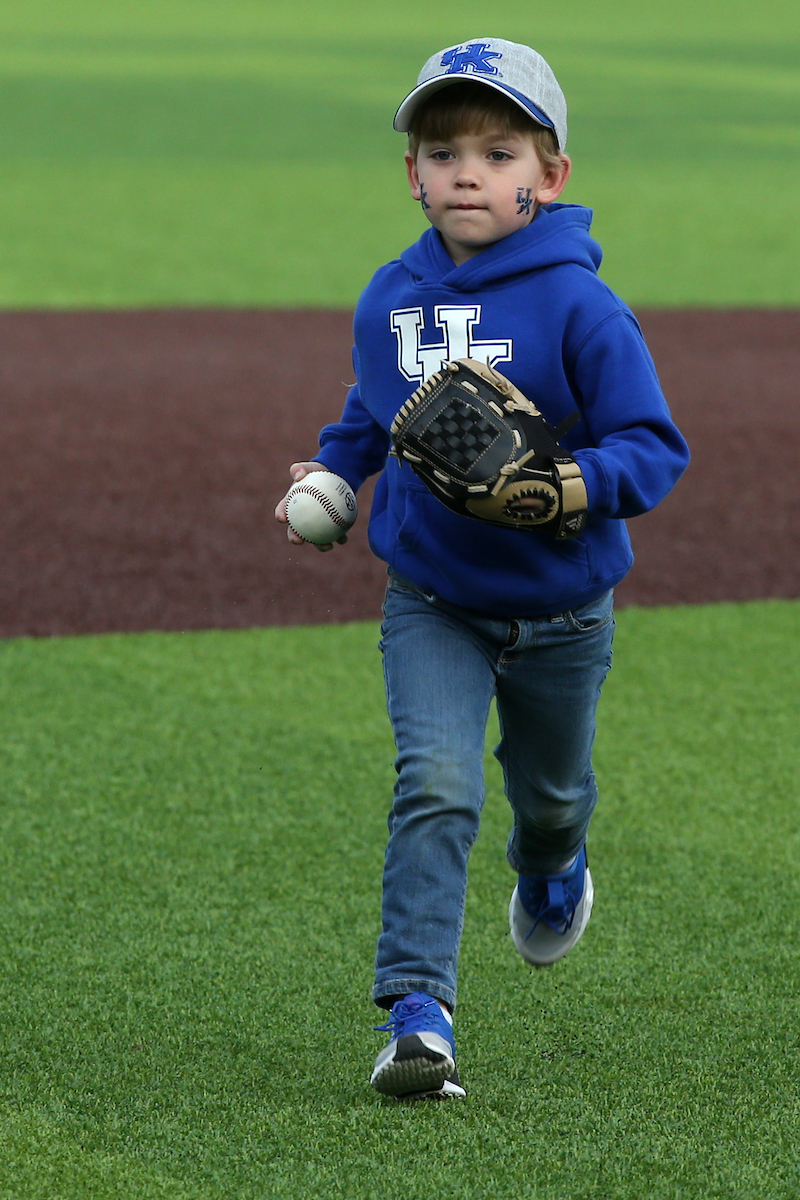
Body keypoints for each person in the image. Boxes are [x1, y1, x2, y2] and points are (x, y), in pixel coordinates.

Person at [275, 36, 689, 1100]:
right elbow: (373, 408)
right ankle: (419, 1017)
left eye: (498, 150)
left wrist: (566, 487)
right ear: (410, 173)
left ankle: (551, 867)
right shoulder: (388, 300)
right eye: (442, 148)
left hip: (560, 608)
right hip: (432, 602)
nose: (467, 170)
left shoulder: (578, 308)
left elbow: (651, 448)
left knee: (549, 798)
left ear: (547, 179)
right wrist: (333, 475)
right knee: (436, 784)